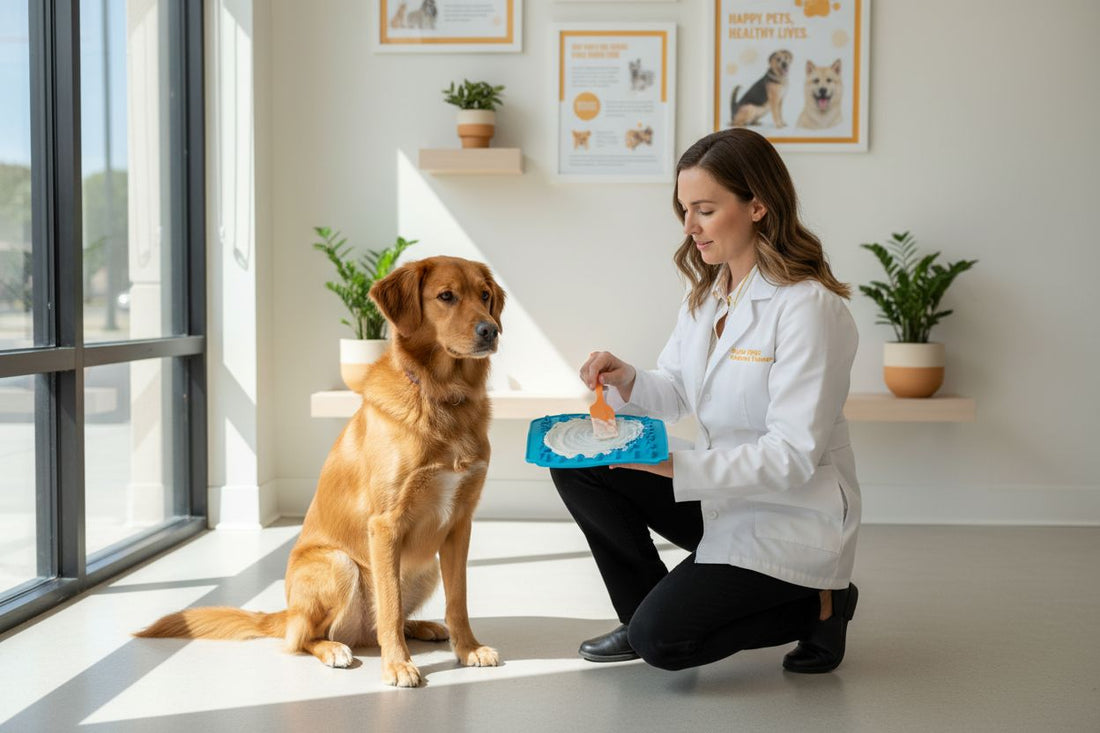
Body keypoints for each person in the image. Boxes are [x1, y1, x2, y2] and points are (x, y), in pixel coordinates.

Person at [550, 127, 860, 674]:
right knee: (582, 468)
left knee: (667, 645)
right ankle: (641, 611)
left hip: (787, 515)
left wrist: (670, 464)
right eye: (684, 209)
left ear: (758, 206)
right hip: (722, 499)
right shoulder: (708, 295)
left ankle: (823, 604)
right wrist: (627, 379)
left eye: (705, 209)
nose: (690, 227)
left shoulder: (809, 309)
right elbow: (674, 391)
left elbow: (790, 456)